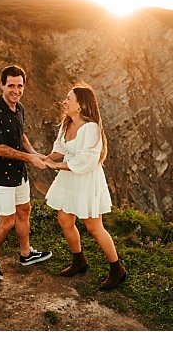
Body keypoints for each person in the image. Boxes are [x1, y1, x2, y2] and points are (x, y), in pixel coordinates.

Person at [43, 83, 127, 290]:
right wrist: (42, 159)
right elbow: (58, 150)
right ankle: (79, 260)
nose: (64, 101)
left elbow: (86, 161)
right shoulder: (66, 125)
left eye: (68, 98)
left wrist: (56, 166)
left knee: (94, 227)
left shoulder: (91, 129)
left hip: (86, 180)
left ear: (80, 105)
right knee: (64, 220)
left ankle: (117, 269)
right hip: (69, 178)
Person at [0, 65, 52, 280]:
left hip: (19, 174)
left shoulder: (19, 108)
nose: (15, 90)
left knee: (24, 211)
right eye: (11, 85)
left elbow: (21, 136)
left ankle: (26, 253)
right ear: (2, 85)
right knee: (7, 221)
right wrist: (29, 158)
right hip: (1, 176)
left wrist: (34, 152)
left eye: (19, 86)